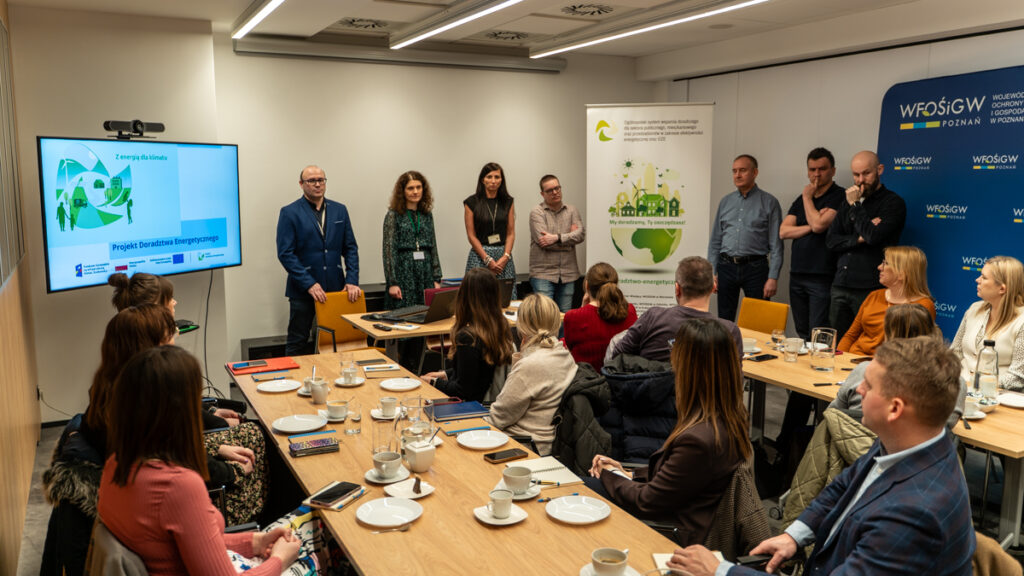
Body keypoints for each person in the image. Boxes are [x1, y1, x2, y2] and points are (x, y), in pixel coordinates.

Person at [669, 336, 975, 576]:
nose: (857, 391)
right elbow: (845, 486)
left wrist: (719, 570)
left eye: (868, 385)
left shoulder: (914, 514)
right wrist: (794, 536)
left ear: (895, 409)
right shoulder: (910, 442)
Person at [97, 346, 314, 575]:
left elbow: (198, 544)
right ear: (182, 411)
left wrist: (256, 542)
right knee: (319, 534)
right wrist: (280, 560)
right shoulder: (178, 487)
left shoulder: (116, 464)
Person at [587, 319, 751, 546]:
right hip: (679, 512)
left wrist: (608, 475)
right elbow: (680, 478)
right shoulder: (727, 419)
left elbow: (647, 501)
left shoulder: (700, 439)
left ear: (691, 368)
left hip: (673, 534)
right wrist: (627, 473)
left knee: (585, 489)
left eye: (676, 352)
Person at [832, 303, 963, 427]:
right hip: (921, 449)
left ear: (889, 335)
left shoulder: (866, 370)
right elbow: (947, 426)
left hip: (852, 446)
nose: (861, 389)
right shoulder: (956, 382)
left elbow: (831, 415)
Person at [277, 165, 360, 356]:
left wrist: (352, 280)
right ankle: (295, 382)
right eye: (312, 181)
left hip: (335, 288)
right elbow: (285, 254)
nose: (317, 184)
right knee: (298, 341)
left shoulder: (340, 210)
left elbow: (350, 248)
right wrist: (309, 283)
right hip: (303, 290)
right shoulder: (289, 212)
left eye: (321, 180)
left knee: (335, 341)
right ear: (301, 184)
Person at [826, 150, 906, 338]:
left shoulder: (893, 203)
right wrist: (859, 237)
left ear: (880, 169)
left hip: (870, 287)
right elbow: (831, 241)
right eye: (856, 174)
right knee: (836, 344)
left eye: (866, 173)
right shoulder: (848, 201)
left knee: (867, 342)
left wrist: (856, 207)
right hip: (841, 284)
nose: (861, 180)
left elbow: (873, 237)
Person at [486, 294, 575, 455]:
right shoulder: (563, 354)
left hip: (524, 446)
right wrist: (523, 354)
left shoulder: (531, 364)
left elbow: (498, 419)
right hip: (548, 443)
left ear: (521, 325)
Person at [611, 256, 742, 362]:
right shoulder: (730, 332)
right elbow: (735, 384)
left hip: (653, 394)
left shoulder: (652, 317)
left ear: (677, 289)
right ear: (714, 287)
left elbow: (617, 356)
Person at [779, 147, 845, 340]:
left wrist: (808, 198)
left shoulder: (839, 195)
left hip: (822, 276)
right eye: (812, 169)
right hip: (797, 274)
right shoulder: (800, 199)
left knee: (818, 334)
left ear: (832, 170)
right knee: (801, 331)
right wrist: (811, 224)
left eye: (822, 169)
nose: (816, 174)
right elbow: (784, 231)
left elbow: (819, 225)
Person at [707, 154, 783, 322]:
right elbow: (715, 241)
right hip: (726, 266)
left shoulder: (769, 202)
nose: (737, 175)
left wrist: (773, 277)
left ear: (755, 172)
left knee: (758, 319)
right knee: (725, 321)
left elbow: (776, 245)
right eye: (734, 171)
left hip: (756, 268)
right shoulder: (725, 202)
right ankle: (727, 349)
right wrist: (712, 272)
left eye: (742, 170)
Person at [421, 268, 514, 402]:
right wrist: (445, 374)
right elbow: (477, 371)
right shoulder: (499, 326)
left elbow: (463, 391)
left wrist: (433, 382)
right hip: (489, 402)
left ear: (464, 296)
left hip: (470, 409)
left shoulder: (468, 338)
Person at [838, 245, 934, 356]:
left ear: (902, 273)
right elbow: (850, 335)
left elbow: (915, 352)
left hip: (887, 366)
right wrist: (840, 358)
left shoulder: (923, 306)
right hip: (854, 358)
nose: (879, 267)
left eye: (886, 263)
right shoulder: (874, 295)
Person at [951, 255, 1024, 391]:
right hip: (958, 387)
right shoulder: (974, 308)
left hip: (996, 395)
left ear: (1002, 289)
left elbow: (1017, 377)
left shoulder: (1022, 321)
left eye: (984, 278)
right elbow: (955, 352)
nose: (977, 280)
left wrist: (976, 385)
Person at [382, 170, 442, 309]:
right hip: (404, 271)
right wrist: (393, 282)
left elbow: (433, 246)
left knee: (426, 315)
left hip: (425, 271)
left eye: (418, 187)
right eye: (410, 188)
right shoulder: (393, 215)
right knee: (405, 314)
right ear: (402, 191)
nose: (415, 191)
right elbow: (389, 250)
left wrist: (436, 277)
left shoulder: (427, 214)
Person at [563, 262, 637, 371]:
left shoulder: (573, 317)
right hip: (620, 382)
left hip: (586, 383)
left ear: (587, 285)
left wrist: (581, 309)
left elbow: (569, 348)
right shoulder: (630, 310)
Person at [528, 174, 585, 312]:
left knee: (564, 319)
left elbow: (581, 235)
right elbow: (543, 242)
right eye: (550, 190)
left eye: (557, 188)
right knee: (545, 318)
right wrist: (569, 239)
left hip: (568, 273)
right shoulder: (537, 212)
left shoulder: (572, 210)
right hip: (543, 274)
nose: (555, 192)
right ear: (542, 194)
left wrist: (557, 238)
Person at [464, 162, 516, 297]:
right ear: (482, 179)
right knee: (478, 298)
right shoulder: (471, 202)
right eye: (489, 177)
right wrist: (487, 259)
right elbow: (471, 236)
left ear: (502, 180)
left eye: (497, 177)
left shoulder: (508, 201)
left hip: (503, 258)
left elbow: (510, 233)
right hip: (480, 256)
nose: (493, 181)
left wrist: (506, 256)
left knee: (505, 299)